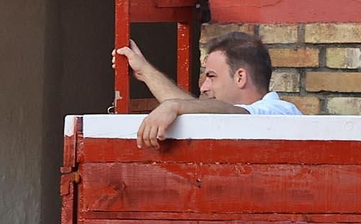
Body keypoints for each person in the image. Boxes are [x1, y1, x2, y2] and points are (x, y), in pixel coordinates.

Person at [120, 32, 302, 149]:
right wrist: (143, 71)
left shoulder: (280, 111)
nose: (203, 87)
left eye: (212, 76)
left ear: (240, 77)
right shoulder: (237, 114)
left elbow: (242, 113)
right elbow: (196, 108)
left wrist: (173, 106)